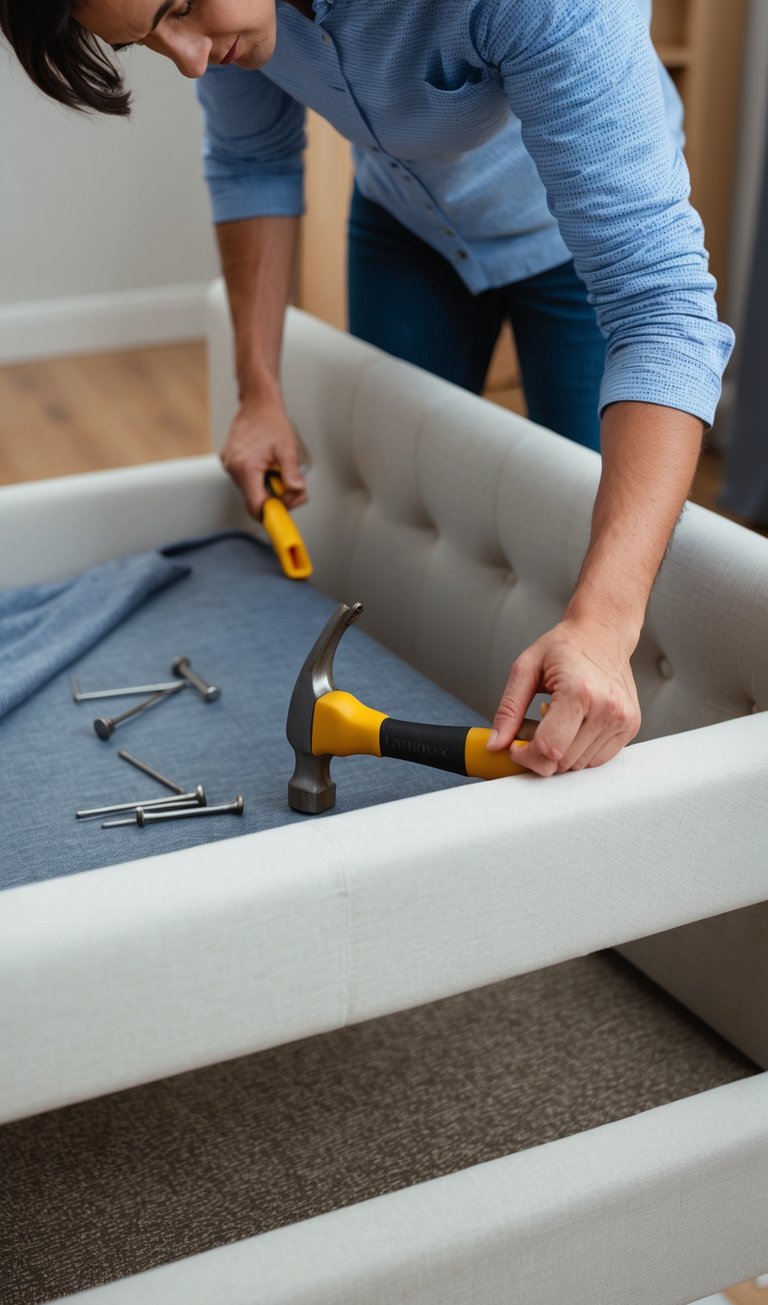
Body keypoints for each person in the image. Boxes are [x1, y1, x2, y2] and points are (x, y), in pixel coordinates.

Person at [1, 0, 734, 778]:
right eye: (146, 39)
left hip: (571, 240)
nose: (183, 57)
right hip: (406, 221)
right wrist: (259, 393)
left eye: (178, 8)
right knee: (405, 512)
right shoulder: (222, 26)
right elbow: (253, 160)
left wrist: (603, 624)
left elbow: (662, 309)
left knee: (592, 556)